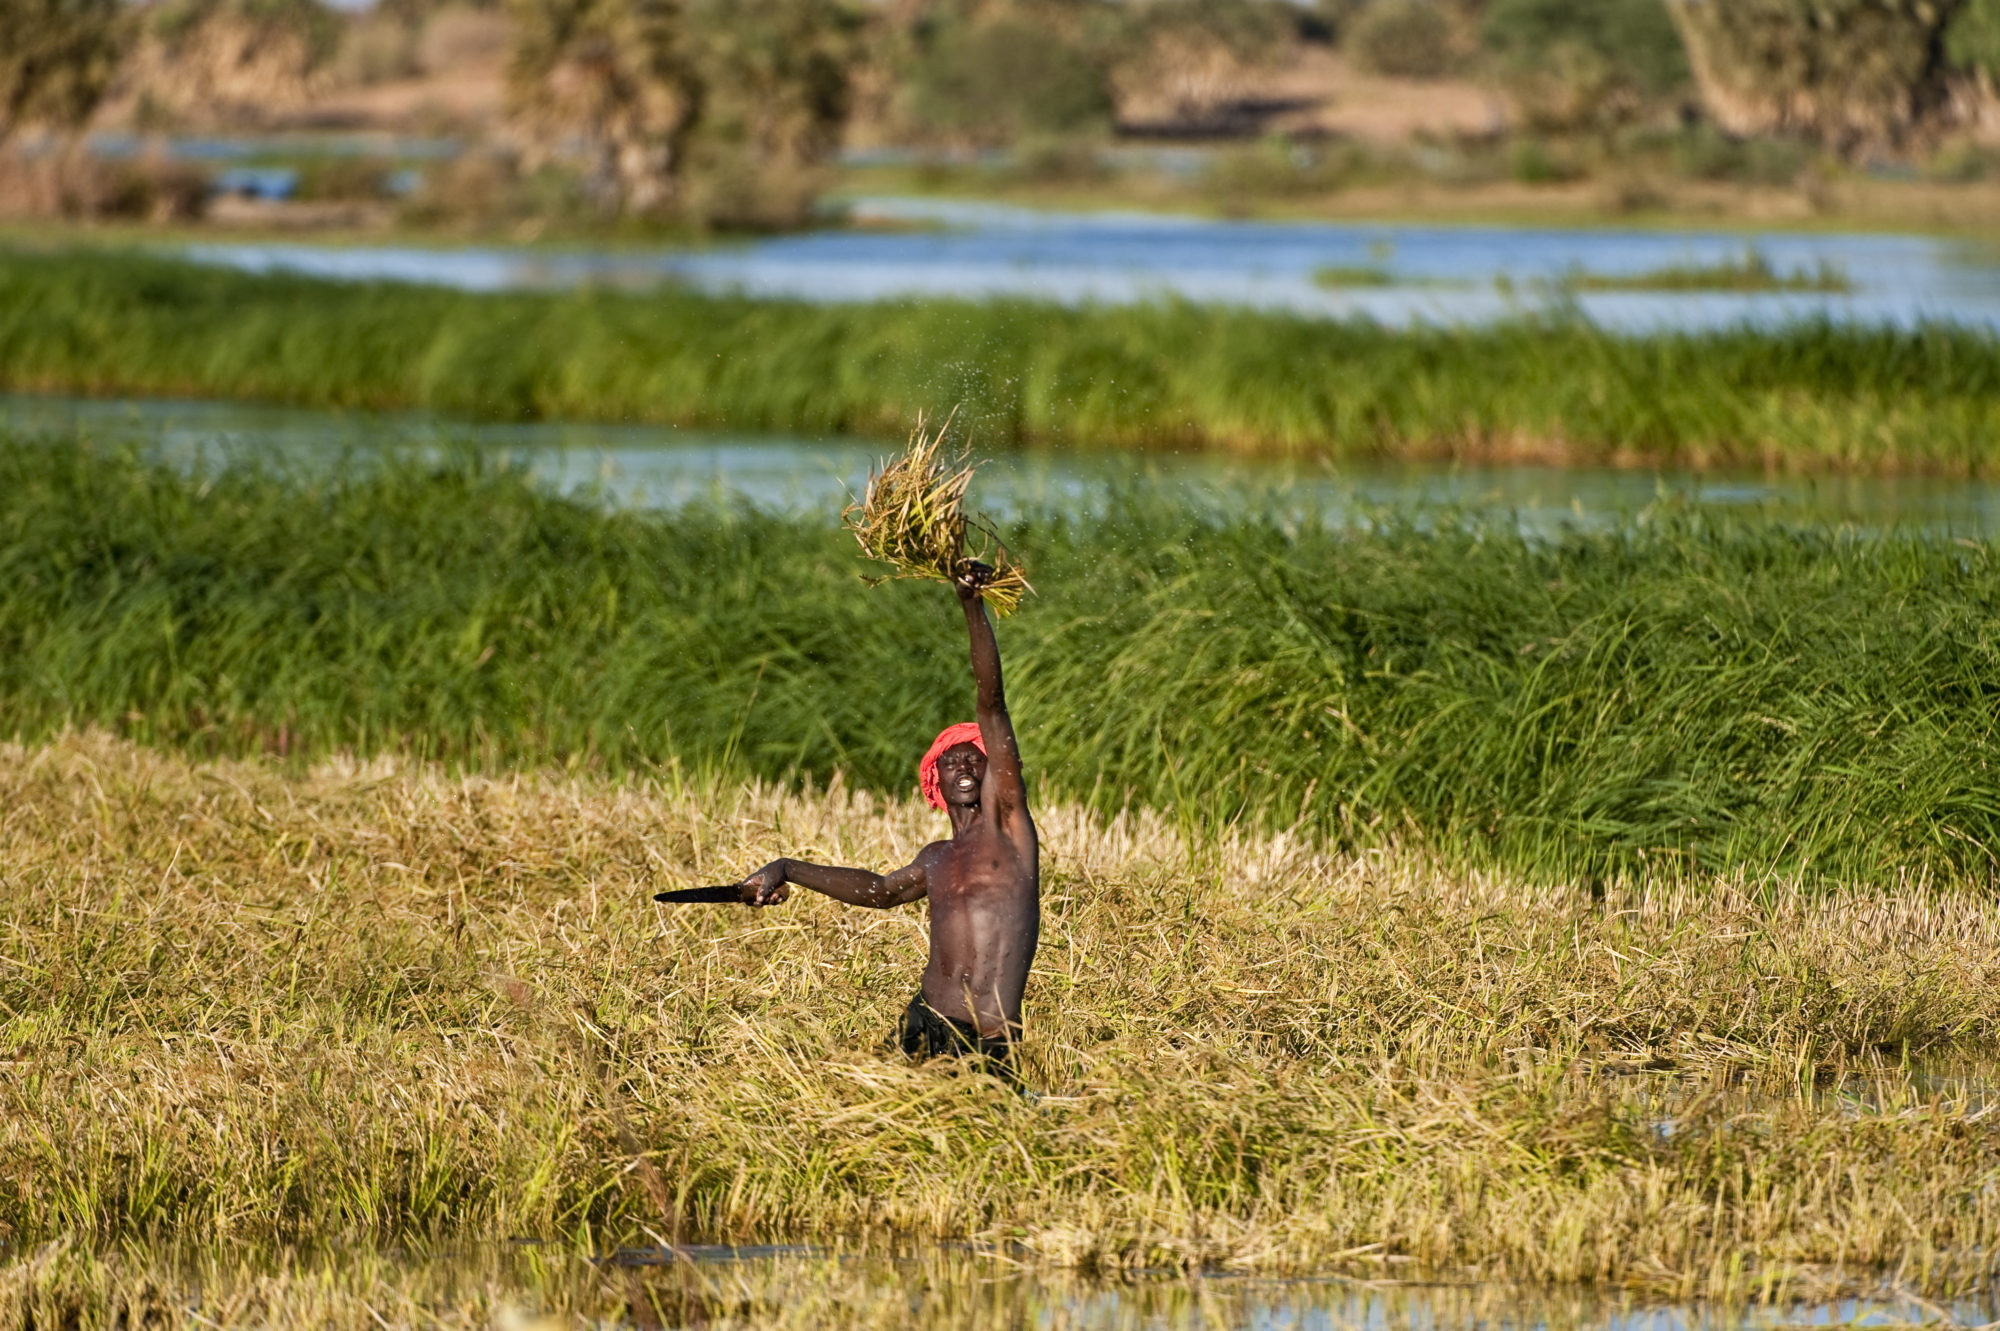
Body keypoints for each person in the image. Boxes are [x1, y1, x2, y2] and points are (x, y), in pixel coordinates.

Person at [732, 562, 1038, 1077]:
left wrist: (971, 604)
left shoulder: (1009, 832)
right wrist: (785, 867)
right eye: (950, 760)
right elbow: (879, 892)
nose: (963, 765)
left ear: (996, 772)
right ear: (934, 779)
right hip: (926, 1023)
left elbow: (992, 704)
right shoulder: (937, 858)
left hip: (989, 1039)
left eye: (975, 758)